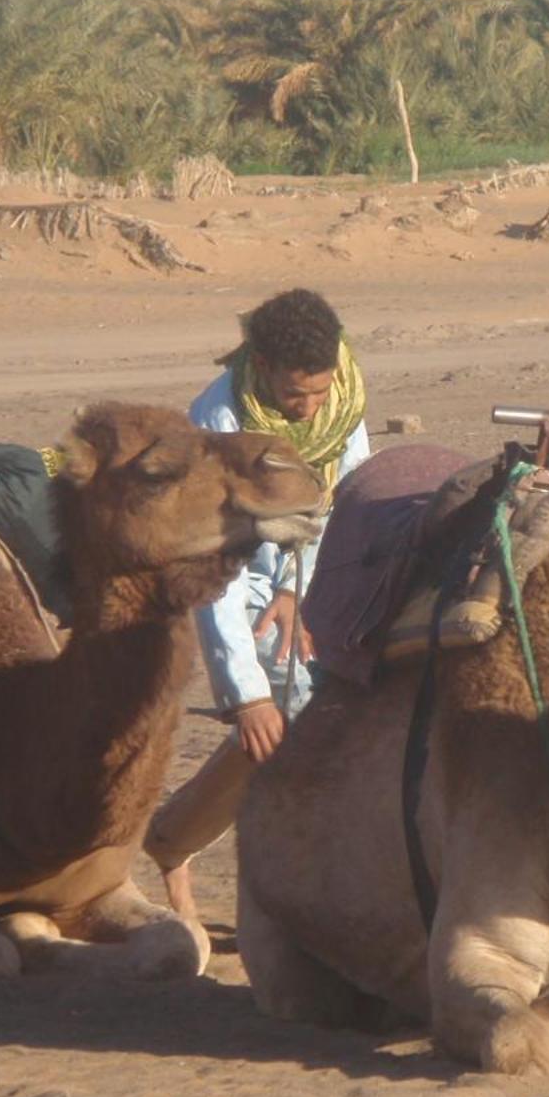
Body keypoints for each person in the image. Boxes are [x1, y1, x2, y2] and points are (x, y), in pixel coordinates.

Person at [145, 288, 370, 919]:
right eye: (296, 395)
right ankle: (305, 896)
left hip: (317, 579)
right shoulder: (217, 422)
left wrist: (300, 591)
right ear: (264, 367)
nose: (309, 409)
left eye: (319, 393)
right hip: (239, 586)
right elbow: (211, 563)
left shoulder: (344, 401)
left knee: (333, 717)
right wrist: (246, 694)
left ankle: (172, 839)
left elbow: (346, 504)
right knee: (290, 725)